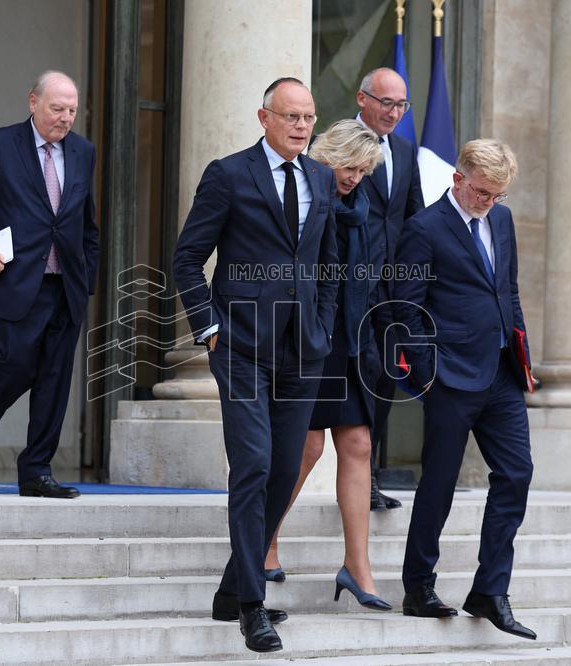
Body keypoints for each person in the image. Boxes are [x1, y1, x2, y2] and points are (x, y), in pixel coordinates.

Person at [171, 78, 339, 653]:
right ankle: (251, 604)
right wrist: (209, 328)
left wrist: (325, 322)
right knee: (253, 465)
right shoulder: (228, 174)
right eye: (290, 116)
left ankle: (228, 589)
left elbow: (325, 261)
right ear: (263, 117)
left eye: (308, 117)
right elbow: (188, 258)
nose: (301, 126)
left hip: (303, 351)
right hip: (240, 346)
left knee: (285, 466)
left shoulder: (319, 177)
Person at [392, 139, 536, 640]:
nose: (487, 202)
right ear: (458, 178)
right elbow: (405, 309)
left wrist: (521, 357)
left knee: (517, 473)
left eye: (496, 194)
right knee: (439, 483)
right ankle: (418, 587)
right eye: (481, 191)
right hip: (450, 376)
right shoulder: (423, 229)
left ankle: (490, 590)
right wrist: (428, 374)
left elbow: (508, 289)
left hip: (501, 372)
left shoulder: (503, 219)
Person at [0, 71, 99, 499]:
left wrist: (86, 277)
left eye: (71, 109)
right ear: (32, 102)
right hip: (12, 281)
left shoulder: (84, 152)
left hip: (65, 285)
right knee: (17, 365)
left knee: (54, 377)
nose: (66, 117)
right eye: (57, 108)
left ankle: (36, 471)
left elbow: (87, 223)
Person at [262, 119, 390, 611]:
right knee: (308, 445)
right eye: (348, 167)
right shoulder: (302, 194)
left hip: (351, 336)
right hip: (305, 334)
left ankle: (358, 568)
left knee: (358, 441)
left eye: (363, 171)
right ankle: (265, 540)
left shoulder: (361, 208)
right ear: (326, 156)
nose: (354, 178)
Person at [355, 67, 425, 511]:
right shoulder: (340, 142)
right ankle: (356, 474)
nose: (395, 113)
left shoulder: (405, 148)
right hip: (352, 282)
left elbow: (414, 217)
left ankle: (371, 477)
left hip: (394, 288)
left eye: (402, 105)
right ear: (362, 99)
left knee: (385, 378)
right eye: (387, 103)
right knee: (358, 378)